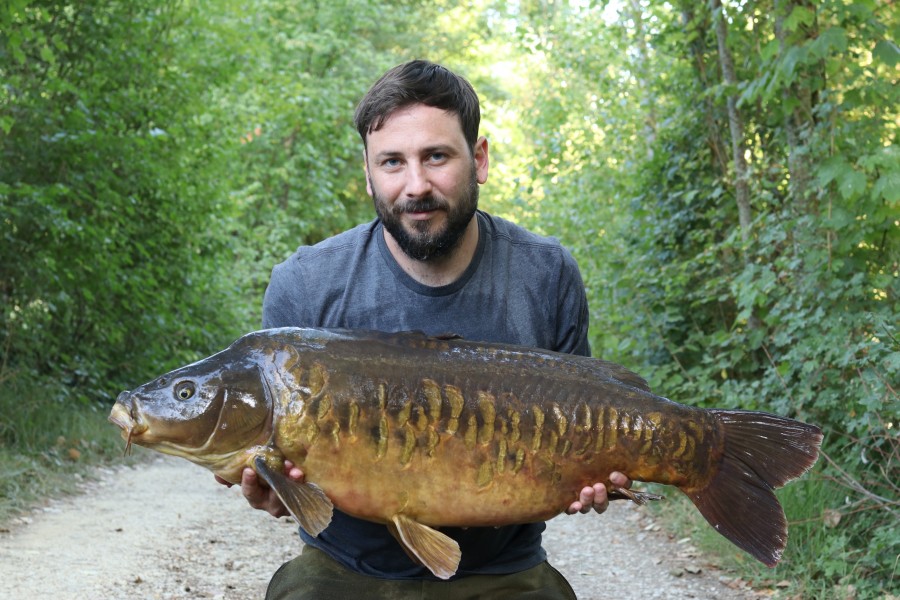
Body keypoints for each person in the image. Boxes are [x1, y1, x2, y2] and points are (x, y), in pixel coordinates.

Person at [220, 59, 631, 599]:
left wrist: (601, 474)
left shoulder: (545, 273)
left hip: (503, 569)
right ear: (367, 172)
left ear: (478, 159)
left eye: (436, 157)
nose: (416, 185)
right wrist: (275, 491)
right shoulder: (305, 284)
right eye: (392, 162)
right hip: (347, 570)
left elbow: (587, 421)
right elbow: (286, 486)